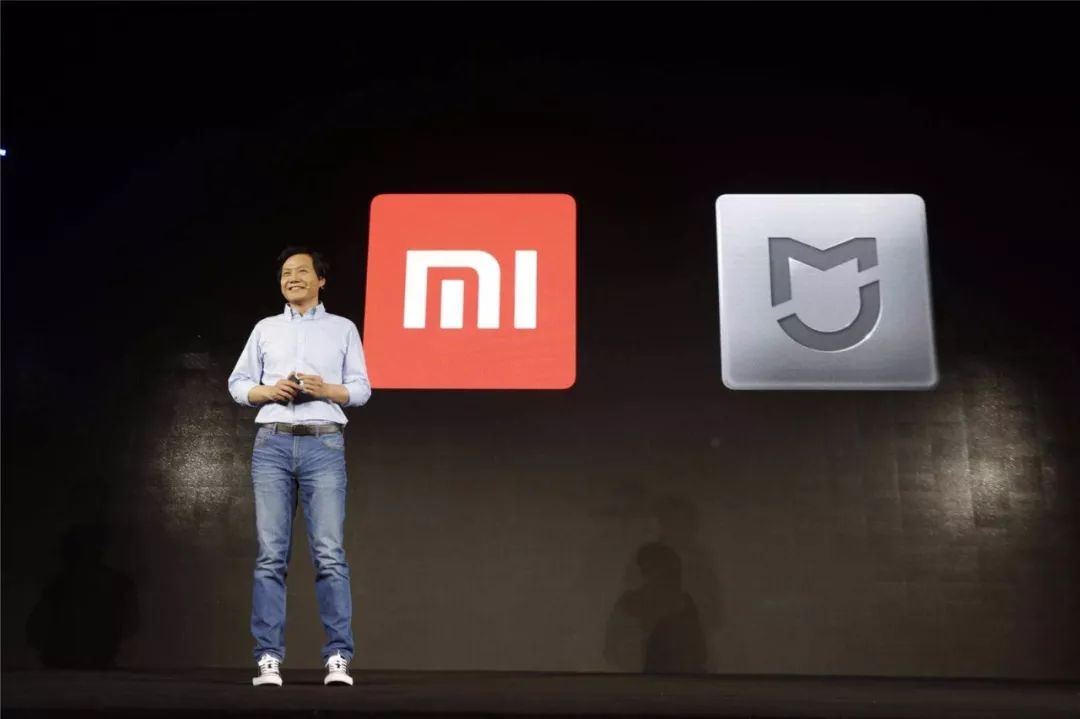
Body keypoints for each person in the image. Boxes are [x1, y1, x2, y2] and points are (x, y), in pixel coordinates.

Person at [228, 247, 371, 687]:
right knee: (271, 555)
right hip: (272, 443)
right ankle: (268, 656)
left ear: (320, 280)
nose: (291, 278)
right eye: (286, 273)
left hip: (323, 442)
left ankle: (338, 657)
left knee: (329, 554)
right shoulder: (265, 328)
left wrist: (327, 389)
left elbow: (361, 389)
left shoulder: (342, 328)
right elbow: (238, 384)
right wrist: (268, 392)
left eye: (301, 271)